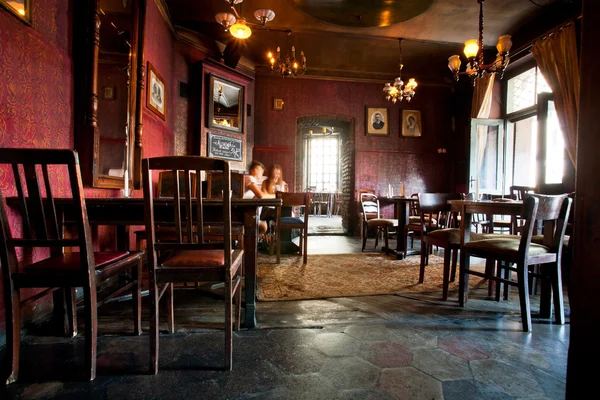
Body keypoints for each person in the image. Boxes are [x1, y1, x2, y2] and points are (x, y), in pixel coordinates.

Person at [243, 160, 274, 235]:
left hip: (251, 211)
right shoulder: (250, 178)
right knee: (265, 225)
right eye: (261, 171)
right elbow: (261, 195)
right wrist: (276, 195)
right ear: (255, 170)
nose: (262, 174)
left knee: (272, 216)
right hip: (247, 213)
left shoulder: (250, 179)